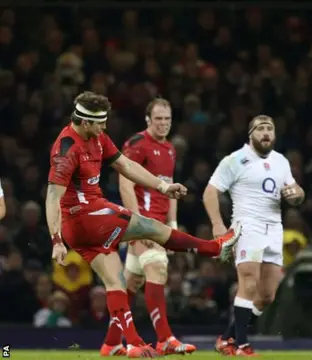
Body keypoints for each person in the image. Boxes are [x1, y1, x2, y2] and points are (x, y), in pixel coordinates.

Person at [46, 91, 240, 358]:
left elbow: (125, 165)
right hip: (85, 216)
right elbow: (52, 197)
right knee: (150, 227)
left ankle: (131, 343)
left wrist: (163, 186)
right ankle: (215, 248)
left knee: (116, 282)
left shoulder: (97, 136)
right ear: (85, 121)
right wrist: (56, 241)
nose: (104, 128)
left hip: (87, 221)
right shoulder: (66, 149)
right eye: (100, 123)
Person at [99, 98, 196, 355]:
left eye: (167, 119)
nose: (163, 124)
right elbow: (125, 185)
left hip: (160, 224)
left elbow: (169, 189)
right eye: (158, 119)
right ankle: (165, 339)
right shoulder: (137, 145)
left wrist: (173, 225)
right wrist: (140, 225)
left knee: (131, 283)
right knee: (158, 268)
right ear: (147, 119)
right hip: (142, 223)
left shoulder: (170, 150)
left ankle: (110, 344)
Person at [204, 115, 304, 356]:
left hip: (274, 228)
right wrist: (218, 225)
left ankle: (227, 337)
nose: (266, 133)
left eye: (270, 128)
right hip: (247, 225)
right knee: (248, 283)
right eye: (261, 128)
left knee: (267, 295)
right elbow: (210, 192)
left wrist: (297, 194)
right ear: (250, 134)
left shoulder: (281, 161)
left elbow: (295, 191)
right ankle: (241, 345)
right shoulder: (235, 160)